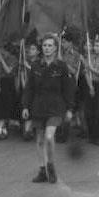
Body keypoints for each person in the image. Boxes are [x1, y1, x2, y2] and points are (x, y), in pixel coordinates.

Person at [22, 34, 75, 184]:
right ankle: (42, 170)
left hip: (55, 106)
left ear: (55, 48)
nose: (47, 48)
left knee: (49, 137)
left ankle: (50, 165)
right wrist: (25, 106)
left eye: (50, 45)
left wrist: (70, 108)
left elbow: (68, 89)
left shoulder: (61, 66)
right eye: (44, 45)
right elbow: (29, 88)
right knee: (39, 140)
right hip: (38, 106)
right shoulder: (36, 66)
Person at [0, 46, 18, 140]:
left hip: (8, 83)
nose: (2, 51)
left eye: (3, 49)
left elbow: (8, 71)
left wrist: (2, 59)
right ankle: (1, 128)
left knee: (6, 105)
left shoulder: (12, 58)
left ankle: (1, 128)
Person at [21, 40, 40, 141]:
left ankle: (34, 129)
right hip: (26, 88)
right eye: (30, 49)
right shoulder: (25, 60)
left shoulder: (40, 62)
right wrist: (23, 82)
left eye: (33, 49)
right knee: (26, 107)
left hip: (37, 89)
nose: (30, 51)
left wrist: (28, 66)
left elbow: (38, 73)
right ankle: (27, 130)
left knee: (35, 109)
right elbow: (21, 74)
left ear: (38, 52)